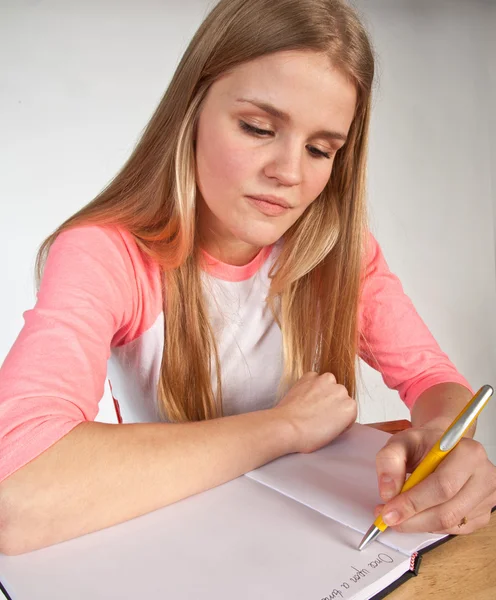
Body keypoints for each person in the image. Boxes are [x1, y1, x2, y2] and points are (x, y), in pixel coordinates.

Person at [0, 0, 494, 556]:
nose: (287, 172)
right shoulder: (107, 253)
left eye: (319, 149)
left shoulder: (339, 252)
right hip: (172, 555)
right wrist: (283, 426)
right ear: (191, 110)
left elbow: (435, 382)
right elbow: (16, 491)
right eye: (258, 128)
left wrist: (445, 442)